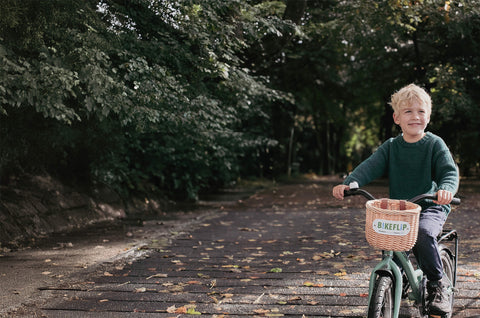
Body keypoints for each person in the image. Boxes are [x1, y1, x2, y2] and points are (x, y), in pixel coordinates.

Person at [332, 83, 459, 315]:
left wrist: (446, 189)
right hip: (400, 209)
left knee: (422, 232)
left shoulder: (434, 144)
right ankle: (395, 278)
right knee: (391, 241)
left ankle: (437, 284)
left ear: (428, 116)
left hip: (431, 206)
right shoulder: (391, 147)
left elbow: (449, 172)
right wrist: (350, 183)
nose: (415, 116)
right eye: (408, 111)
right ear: (397, 118)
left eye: (421, 111)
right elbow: (369, 166)